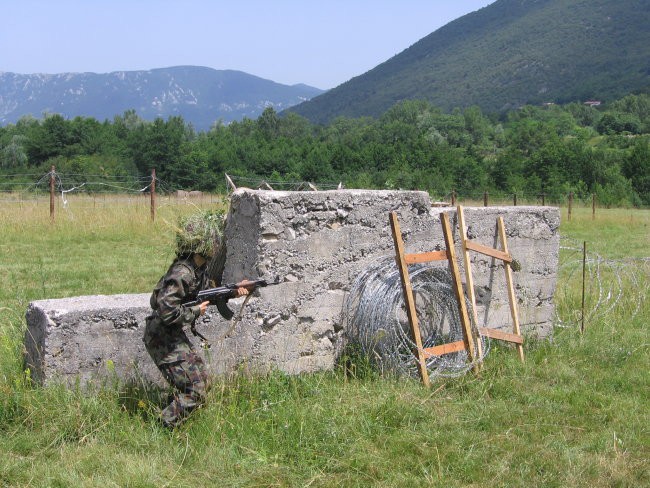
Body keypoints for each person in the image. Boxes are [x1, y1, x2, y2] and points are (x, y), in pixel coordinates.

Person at [143, 210, 247, 428]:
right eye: (214, 242)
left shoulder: (198, 269)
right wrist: (195, 312)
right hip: (161, 336)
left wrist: (233, 291)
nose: (217, 246)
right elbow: (165, 310)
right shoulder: (183, 272)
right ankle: (162, 426)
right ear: (204, 244)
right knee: (196, 389)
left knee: (203, 381)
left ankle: (169, 413)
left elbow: (209, 292)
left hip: (172, 334)